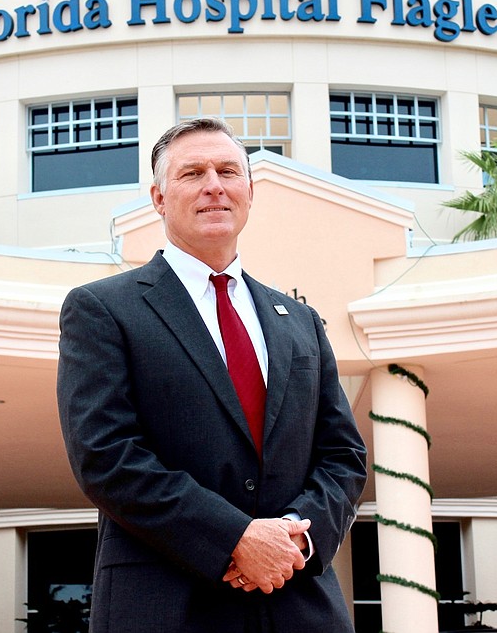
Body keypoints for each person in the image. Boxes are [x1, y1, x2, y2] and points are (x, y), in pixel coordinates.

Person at [56, 116, 367, 633]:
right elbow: (105, 455)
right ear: (157, 197)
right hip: (167, 605)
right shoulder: (102, 309)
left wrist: (293, 537)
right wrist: (235, 538)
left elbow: (343, 456)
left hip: (299, 603)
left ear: (249, 192)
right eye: (192, 173)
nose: (213, 186)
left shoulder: (301, 322)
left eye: (228, 171)